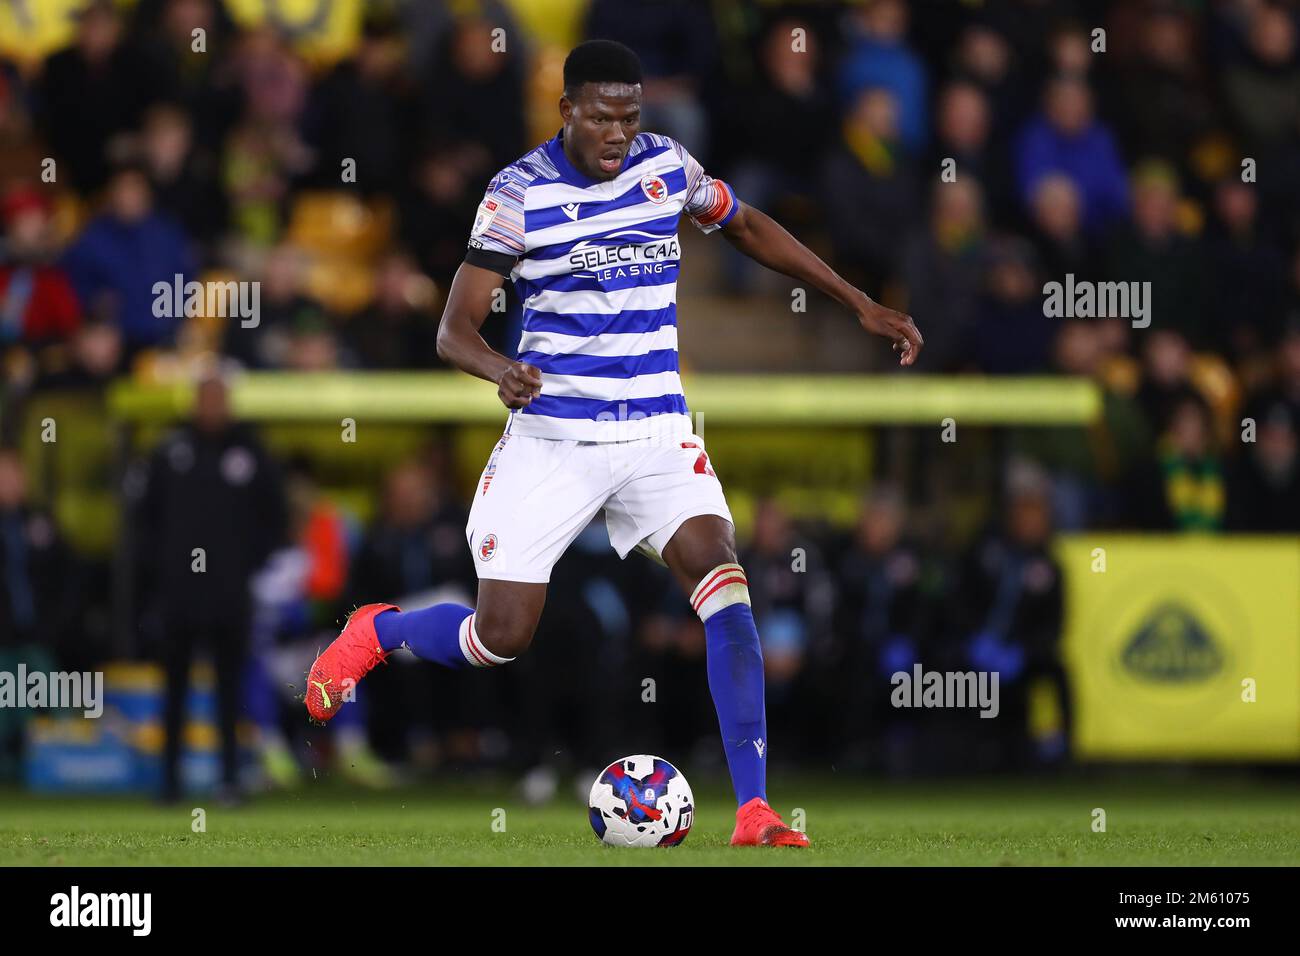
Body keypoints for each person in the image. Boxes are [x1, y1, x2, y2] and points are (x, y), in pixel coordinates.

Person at [304, 40, 922, 848]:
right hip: (555, 437)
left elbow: (746, 225)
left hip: (657, 428)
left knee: (725, 581)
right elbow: (452, 331)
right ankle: (377, 633)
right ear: (566, 111)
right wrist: (500, 368)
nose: (618, 133)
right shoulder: (516, 193)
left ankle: (754, 807)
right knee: (501, 638)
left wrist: (855, 300)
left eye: (630, 117)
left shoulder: (665, 165)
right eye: (602, 116)